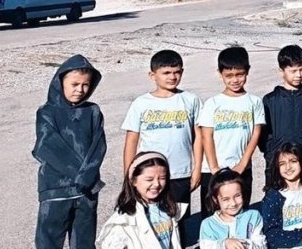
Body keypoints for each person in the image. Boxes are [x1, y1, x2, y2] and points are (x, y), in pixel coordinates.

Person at [122, 50, 200, 242]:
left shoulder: (191, 100)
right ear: (152, 75)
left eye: (177, 72)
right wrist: (129, 174)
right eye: (166, 72)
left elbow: (199, 137)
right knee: (150, 222)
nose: (172, 77)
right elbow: (131, 140)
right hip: (149, 175)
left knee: (178, 222)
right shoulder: (141, 104)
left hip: (180, 174)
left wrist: (197, 169)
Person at [34, 54, 105, 249]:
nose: (80, 90)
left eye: (85, 85)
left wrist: (88, 177)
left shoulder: (93, 112)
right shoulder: (47, 112)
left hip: (86, 190)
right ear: (60, 82)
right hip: (55, 188)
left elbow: (99, 146)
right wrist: (81, 175)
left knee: (84, 239)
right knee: (49, 240)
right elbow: (46, 147)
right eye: (74, 84)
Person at [196, 47, 266, 213]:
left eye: (239, 74)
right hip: (212, 171)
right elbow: (207, 136)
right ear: (220, 74)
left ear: (247, 72)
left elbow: (255, 134)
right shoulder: (212, 103)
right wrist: (214, 168)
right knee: (212, 216)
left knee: (240, 212)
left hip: (241, 169)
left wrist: (242, 164)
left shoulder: (254, 102)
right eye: (229, 76)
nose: (235, 80)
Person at [262, 45, 302, 185]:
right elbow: (264, 135)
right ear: (281, 71)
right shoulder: (270, 100)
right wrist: (274, 155)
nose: (299, 75)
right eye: (293, 71)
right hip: (276, 167)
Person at [98, 152, 183, 249]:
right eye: (149, 179)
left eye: (162, 178)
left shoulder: (168, 208)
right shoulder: (125, 220)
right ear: (133, 181)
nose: (156, 184)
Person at [260, 141, 302, 249]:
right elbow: (271, 235)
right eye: (282, 164)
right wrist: (301, 234)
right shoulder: (273, 196)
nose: (288, 167)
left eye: (293, 161)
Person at [198, 169, 266, 248]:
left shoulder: (253, 216)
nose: (233, 203)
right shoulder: (208, 224)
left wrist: (242, 244)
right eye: (226, 199)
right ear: (215, 200)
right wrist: (224, 244)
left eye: (237, 196)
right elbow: (205, 246)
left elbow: (262, 245)